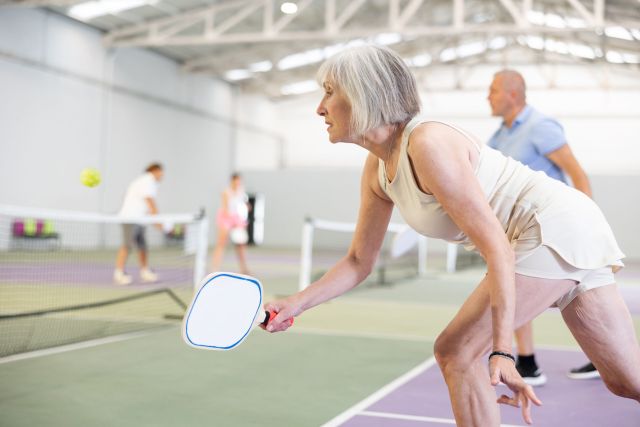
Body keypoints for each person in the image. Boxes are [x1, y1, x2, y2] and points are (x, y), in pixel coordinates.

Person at [262, 45, 640, 426]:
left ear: (365, 93)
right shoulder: (376, 169)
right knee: (626, 381)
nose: (320, 108)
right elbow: (359, 261)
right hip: (567, 228)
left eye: (330, 91)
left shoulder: (428, 145)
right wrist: (296, 303)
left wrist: (503, 351)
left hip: (553, 227)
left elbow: (497, 250)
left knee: (456, 351)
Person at [487, 69, 598, 385]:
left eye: (492, 90)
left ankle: (599, 356)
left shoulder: (541, 127)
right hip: (517, 230)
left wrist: (586, 221)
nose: (487, 97)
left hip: (554, 227)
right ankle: (527, 362)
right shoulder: (498, 137)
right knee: (512, 288)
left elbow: (578, 174)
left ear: (512, 94)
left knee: (577, 295)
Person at [114, 163, 164, 285]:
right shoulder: (147, 180)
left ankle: (145, 271)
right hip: (130, 218)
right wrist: (157, 220)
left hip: (140, 219)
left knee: (142, 246)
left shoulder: (146, 182)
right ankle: (119, 273)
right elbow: (150, 201)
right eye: (161, 172)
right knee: (127, 245)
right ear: (155, 171)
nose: (162, 175)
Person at [211, 173, 250, 274]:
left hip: (236, 220)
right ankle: (214, 269)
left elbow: (242, 205)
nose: (238, 183)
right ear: (232, 181)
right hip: (225, 219)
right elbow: (225, 209)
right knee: (221, 244)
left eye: (239, 181)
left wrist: (246, 208)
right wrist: (233, 221)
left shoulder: (241, 191)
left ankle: (244, 269)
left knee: (240, 245)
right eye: (236, 181)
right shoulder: (226, 192)